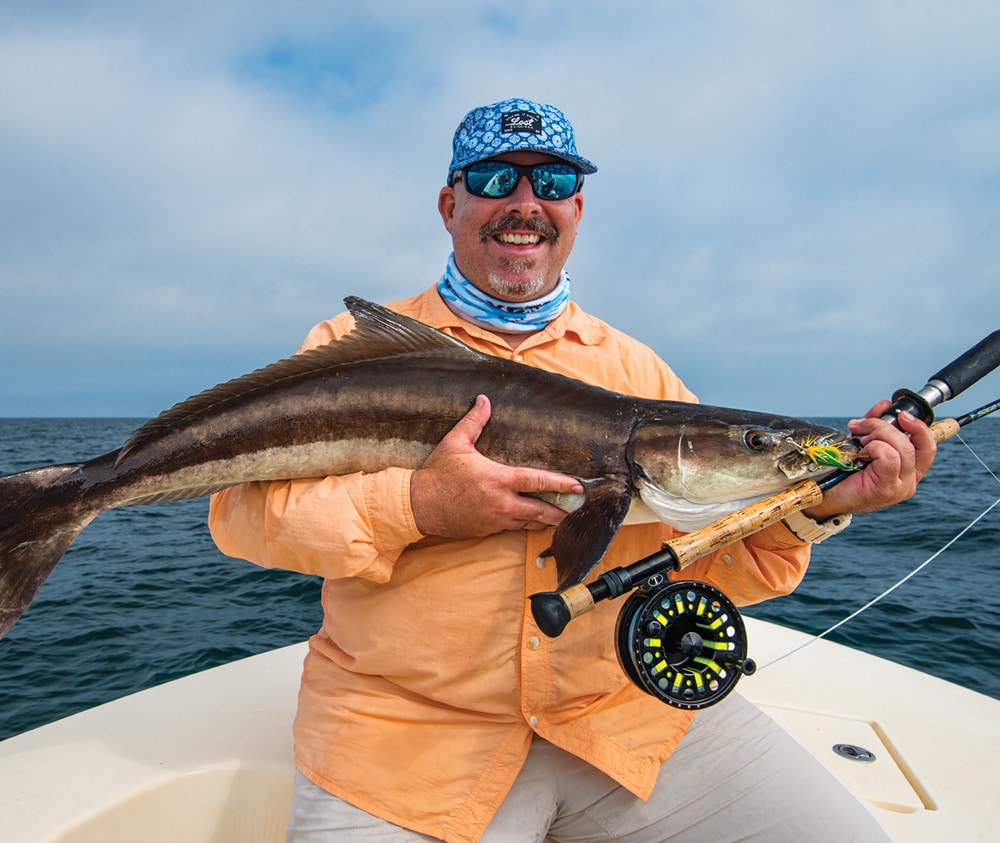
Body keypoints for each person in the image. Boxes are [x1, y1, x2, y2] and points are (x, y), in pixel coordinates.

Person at [208, 99, 936, 843]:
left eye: (551, 181)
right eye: (496, 179)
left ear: (576, 209)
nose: (525, 204)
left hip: (624, 716)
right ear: (450, 204)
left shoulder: (638, 371)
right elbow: (240, 517)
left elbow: (722, 564)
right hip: (408, 742)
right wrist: (419, 505)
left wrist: (811, 504)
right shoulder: (355, 351)